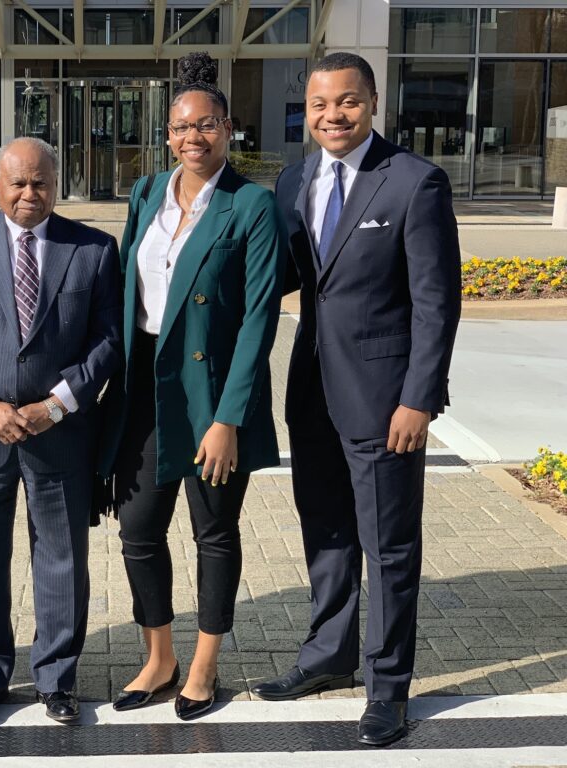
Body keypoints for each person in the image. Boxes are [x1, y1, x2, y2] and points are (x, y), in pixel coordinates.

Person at [252, 52, 461, 747]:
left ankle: (388, 688)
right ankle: (328, 658)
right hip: (311, 391)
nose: (332, 116)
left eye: (346, 102)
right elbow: (277, 279)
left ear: (372, 104)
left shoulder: (413, 183)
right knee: (329, 536)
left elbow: (437, 305)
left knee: (390, 546)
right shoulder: (294, 180)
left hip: (385, 401)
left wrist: (419, 400)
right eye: (318, 105)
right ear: (304, 111)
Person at [96, 51, 287, 722]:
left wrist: (229, 418)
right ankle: (160, 656)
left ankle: (203, 665)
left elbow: (261, 315)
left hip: (211, 394)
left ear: (228, 128)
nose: (192, 138)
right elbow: (126, 291)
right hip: (147, 388)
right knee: (138, 529)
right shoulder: (146, 193)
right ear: (168, 134)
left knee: (214, 531)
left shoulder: (252, 204)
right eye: (181, 127)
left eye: (206, 125)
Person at [0, 137, 121, 725]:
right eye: (18, 183)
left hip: (57, 434)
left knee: (62, 559)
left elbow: (108, 341)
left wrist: (55, 406)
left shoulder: (92, 249)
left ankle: (56, 680)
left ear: (56, 182)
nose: (29, 194)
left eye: (40, 182)